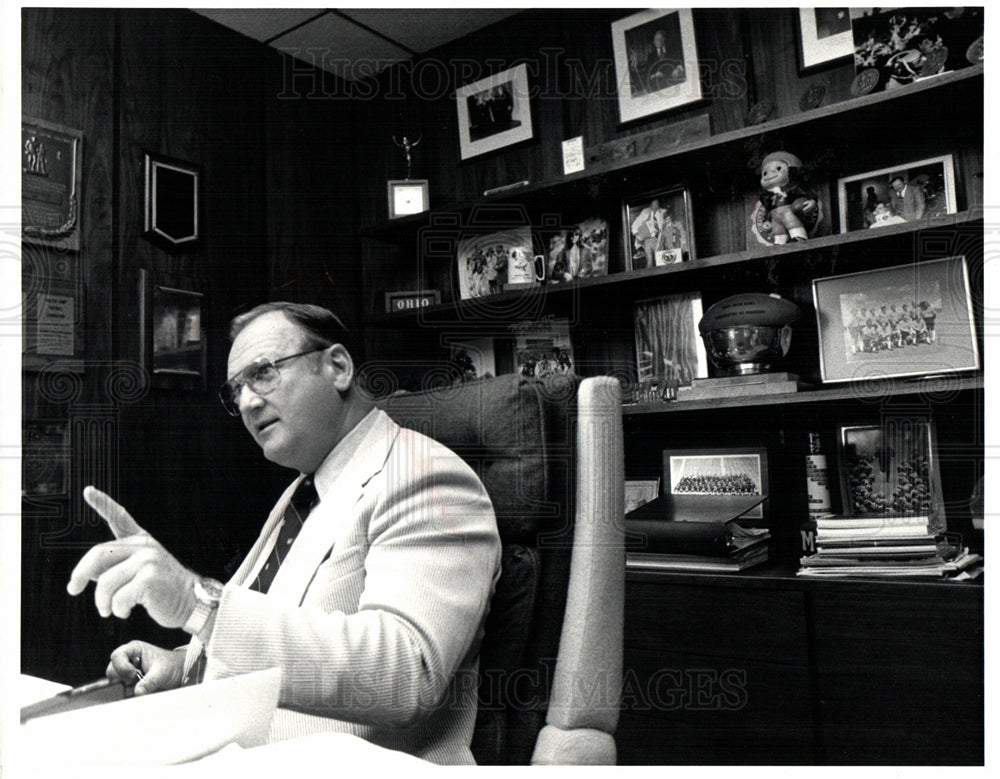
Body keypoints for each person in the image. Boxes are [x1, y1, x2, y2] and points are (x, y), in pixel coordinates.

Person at [67, 302, 502, 765]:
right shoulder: (304, 489)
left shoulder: (426, 476)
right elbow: (279, 632)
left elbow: (404, 671)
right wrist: (185, 665)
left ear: (337, 366)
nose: (247, 402)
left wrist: (197, 603)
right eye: (237, 389)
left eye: (264, 372)